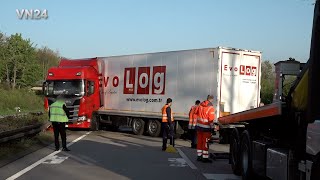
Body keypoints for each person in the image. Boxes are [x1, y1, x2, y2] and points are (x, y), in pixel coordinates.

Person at [195, 95, 215, 163]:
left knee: (199, 142)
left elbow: (196, 113)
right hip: (206, 128)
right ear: (211, 99)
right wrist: (213, 128)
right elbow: (211, 120)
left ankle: (199, 156)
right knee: (205, 143)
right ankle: (205, 157)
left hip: (199, 127)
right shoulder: (211, 107)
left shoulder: (200, 105)